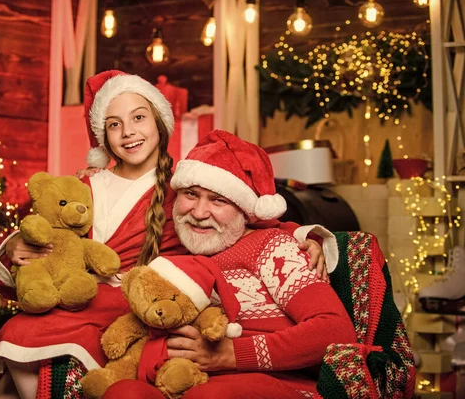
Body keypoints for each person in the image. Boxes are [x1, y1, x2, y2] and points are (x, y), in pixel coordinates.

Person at [0, 71, 332, 399]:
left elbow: (243, 215)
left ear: (160, 122)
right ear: (103, 135)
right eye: (113, 124)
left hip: (147, 304)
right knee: (17, 333)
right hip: (81, 298)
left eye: (138, 118)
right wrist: (14, 246)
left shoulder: (184, 185)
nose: (128, 132)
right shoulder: (85, 184)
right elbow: (53, 226)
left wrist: (306, 235)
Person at [101, 130, 357, 399]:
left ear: (245, 210)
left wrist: (232, 354)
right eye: (190, 194)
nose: (199, 213)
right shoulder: (176, 251)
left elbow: (334, 330)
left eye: (218, 200)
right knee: (124, 393)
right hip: (185, 380)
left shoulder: (272, 247)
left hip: (272, 384)